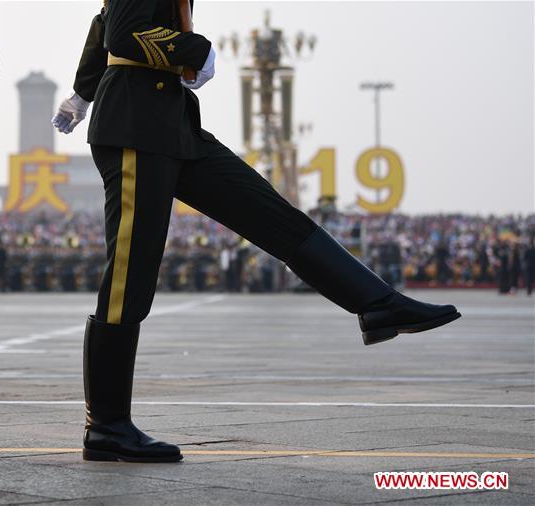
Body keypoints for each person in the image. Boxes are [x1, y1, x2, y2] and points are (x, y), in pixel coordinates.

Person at [52, 0, 461, 463]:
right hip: (134, 126)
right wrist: (195, 48)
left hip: (172, 125)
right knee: (131, 274)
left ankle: (378, 304)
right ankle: (106, 426)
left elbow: (104, 22)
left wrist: (82, 93)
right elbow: (122, 33)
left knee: (268, 212)